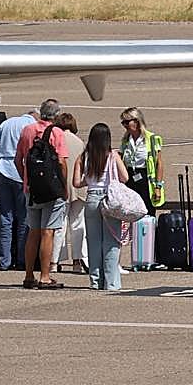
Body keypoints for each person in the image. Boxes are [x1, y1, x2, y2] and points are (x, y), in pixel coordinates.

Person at [14, 98, 68, 290]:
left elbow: (18, 159)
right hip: (52, 190)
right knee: (48, 232)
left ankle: (29, 275)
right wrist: (63, 187)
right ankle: (45, 275)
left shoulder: (27, 130)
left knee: (33, 232)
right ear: (56, 115)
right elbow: (61, 162)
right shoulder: (57, 133)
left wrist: (25, 180)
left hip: (32, 189)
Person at [73, 122, 129, 291]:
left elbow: (76, 182)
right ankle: (111, 282)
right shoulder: (112, 155)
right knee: (111, 241)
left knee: (94, 242)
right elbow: (125, 177)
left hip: (92, 199)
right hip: (109, 200)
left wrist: (89, 180)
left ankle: (95, 281)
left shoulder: (84, 156)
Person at [0, 108, 38, 270]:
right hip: (20, 171)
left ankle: (4, 260)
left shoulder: (6, 124)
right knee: (23, 218)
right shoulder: (32, 125)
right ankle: (22, 258)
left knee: (5, 217)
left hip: (3, 170)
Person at [51, 112, 88, 274]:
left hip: (61, 187)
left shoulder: (56, 140)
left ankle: (55, 260)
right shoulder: (80, 142)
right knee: (78, 225)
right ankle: (77, 260)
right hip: (78, 187)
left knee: (60, 225)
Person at [119, 106, 165, 215]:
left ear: (137, 121)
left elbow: (159, 163)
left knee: (148, 212)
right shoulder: (125, 140)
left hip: (146, 179)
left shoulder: (152, 138)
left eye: (127, 122)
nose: (125, 126)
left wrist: (158, 187)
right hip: (130, 177)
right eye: (123, 123)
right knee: (131, 212)